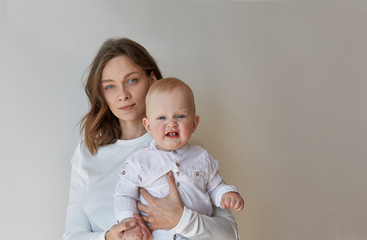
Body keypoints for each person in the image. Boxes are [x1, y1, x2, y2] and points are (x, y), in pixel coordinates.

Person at [64, 38, 240, 240]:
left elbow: (230, 235)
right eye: (110, 86)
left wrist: (182, 219)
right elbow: (72, 235)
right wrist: (110, 237)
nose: (123, 95)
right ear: (101, 94)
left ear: (152, 80)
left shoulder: (184, 148)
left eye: (131, 80)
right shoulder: (87, 151)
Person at [114, 78, 244, 240]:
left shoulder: (202, 157)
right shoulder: (139, 160)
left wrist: (226, 194)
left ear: (194, 123)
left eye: (180, 116)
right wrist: (129, 223)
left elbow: (215, 186)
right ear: (148, 126)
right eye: (162, 118)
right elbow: (124, 195)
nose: (171, 124)